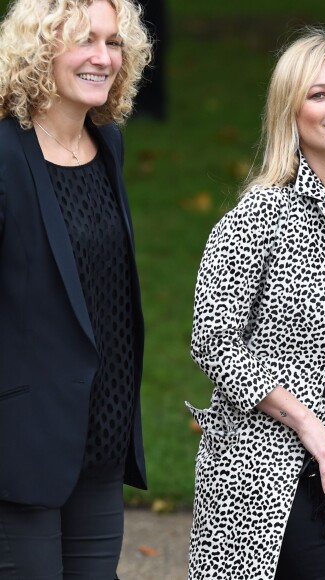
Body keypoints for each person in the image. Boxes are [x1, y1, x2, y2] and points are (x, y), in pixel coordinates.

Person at [187, 28, 325, 580]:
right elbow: (211, 340)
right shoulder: (262, 212)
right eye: (319, 94)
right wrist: (309, 428)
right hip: (260, 465)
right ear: (291, 111)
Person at [0, 0, 151, 578]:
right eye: (84, 41)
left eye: (114, 43)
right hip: (22, 444)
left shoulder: (105, 145)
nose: (103, 57)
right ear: (40, 51)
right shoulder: (7, 155)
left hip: (102, 435)